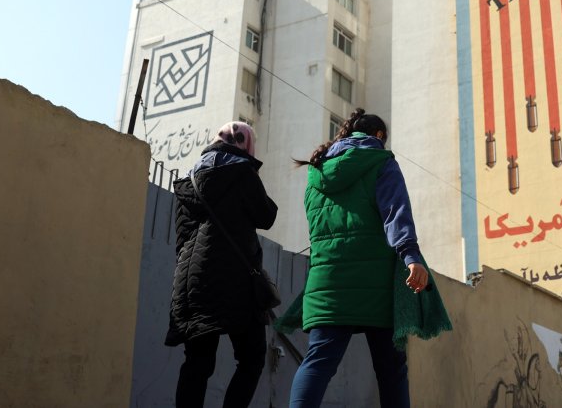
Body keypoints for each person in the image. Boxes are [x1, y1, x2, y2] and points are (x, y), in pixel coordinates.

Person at [287, 109, 429, 408]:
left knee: (318, 362)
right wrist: (411, 256)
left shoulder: (316, 173)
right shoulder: (381, 161)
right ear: (378, 135)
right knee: (392, 369)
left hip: (327, 283)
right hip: (376, 283)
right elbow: (396, 213)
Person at [166, 121, 279, 408]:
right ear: (246, 144)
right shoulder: (242, 171)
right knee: (252, 357)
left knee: (197, 362)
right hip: (236, 281)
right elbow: (266, 216)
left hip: (192, 282)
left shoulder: (189, 178)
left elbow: (182, 238)